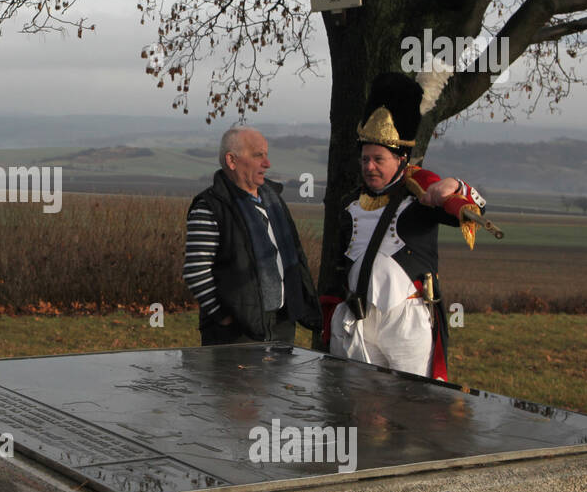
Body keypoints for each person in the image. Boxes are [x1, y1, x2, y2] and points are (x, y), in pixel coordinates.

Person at [322, 70, 488, 380]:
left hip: (406, 323)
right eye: (365, 159)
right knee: (360, 405)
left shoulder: (421, 200)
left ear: (401, 159)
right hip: (358, 319)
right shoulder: (349, 205)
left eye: (378, 159)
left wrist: (453, 185)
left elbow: (471, 208)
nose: (369, 167)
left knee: (413, 405)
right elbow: (337, 267)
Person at [184, 126, 319, 346]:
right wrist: (224, 318)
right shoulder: (210, 207)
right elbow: (196, 271)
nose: (267, 163)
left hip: (282, 324)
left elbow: (296, 257)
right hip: (236, 334)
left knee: (279, 382)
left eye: (266, 155)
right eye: (258, 155)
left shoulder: (273, 200)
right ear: (232, 160)